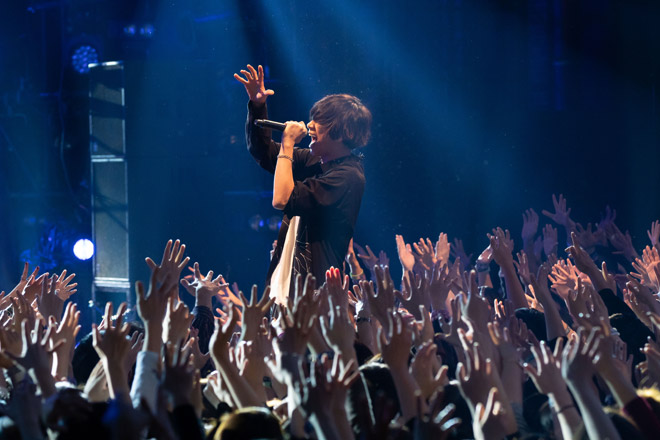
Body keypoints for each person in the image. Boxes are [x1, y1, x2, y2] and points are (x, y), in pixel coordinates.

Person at [234, 64, 372, 301]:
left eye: (320, 121)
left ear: (344, 132)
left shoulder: (348, 177)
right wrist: (257, 106)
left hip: (315, 293)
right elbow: (264, 153)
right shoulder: (315, 161)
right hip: (286, 283)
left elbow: (282, 199)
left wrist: (288, 144)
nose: (310, 126)